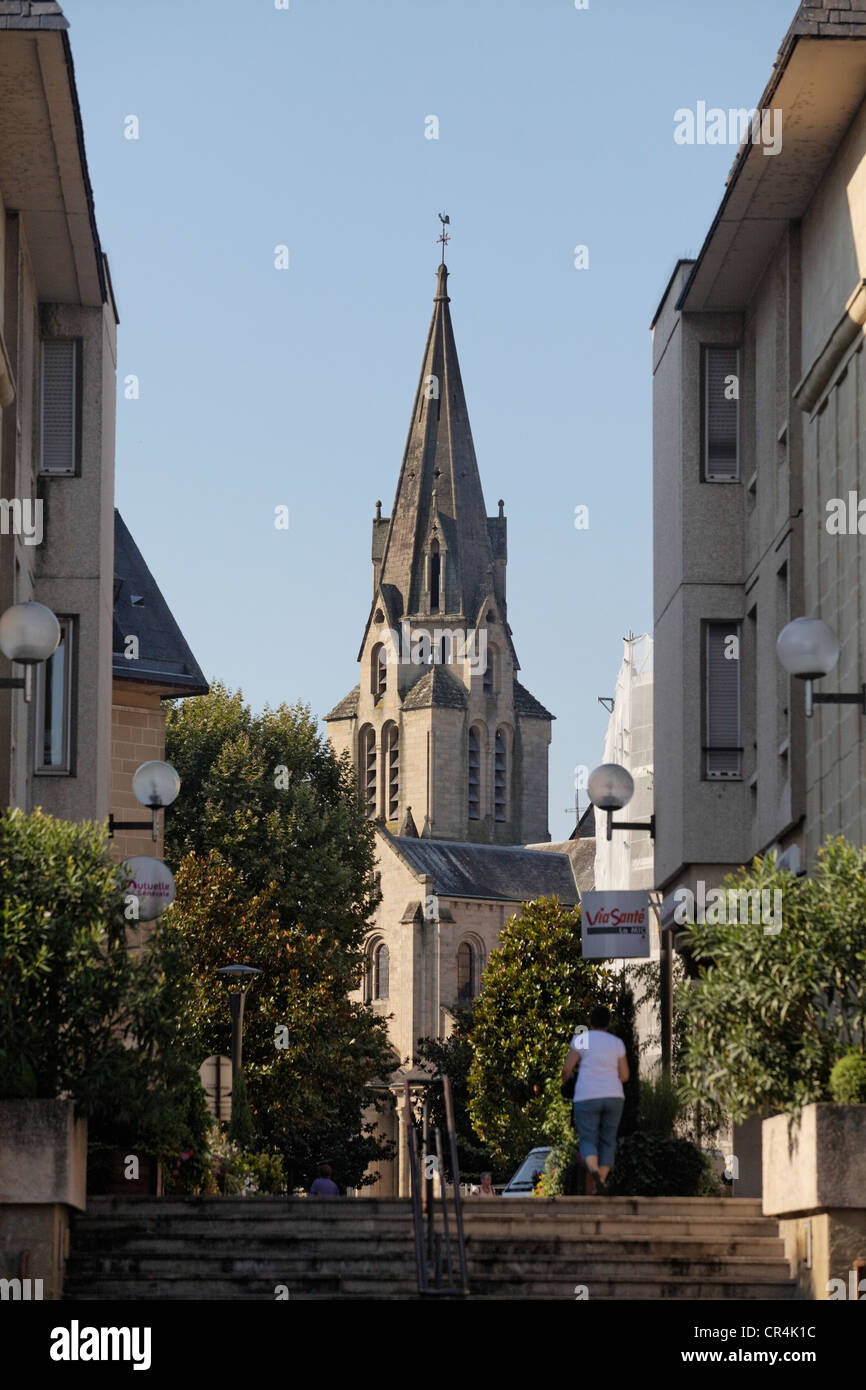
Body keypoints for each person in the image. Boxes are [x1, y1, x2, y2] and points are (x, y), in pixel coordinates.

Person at [560, 1004, 629, 1195]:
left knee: (588, 1139)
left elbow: (567, 1069)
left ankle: (595, 1173)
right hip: (614, 1096)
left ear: (589, 1022)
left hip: (587, 1096)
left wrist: (566, 1081)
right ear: (610, 1022)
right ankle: (601, 1181)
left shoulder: (582, 1040)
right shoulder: (616, 1043)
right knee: (608, 1141)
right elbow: (624, 1075)